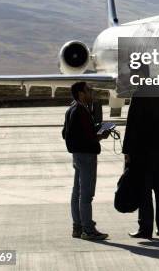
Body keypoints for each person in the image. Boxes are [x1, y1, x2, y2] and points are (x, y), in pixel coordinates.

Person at [122, 87, 159, 239]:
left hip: (144, 153)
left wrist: (127, 151)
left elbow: (132, 124)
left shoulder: (139, 94)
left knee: (144, 192)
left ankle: (145, 228)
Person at [62, 82, 110, 240]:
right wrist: (101, 135)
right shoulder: (81, 111)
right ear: (81, 93)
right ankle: (88, 230)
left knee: (77, 192)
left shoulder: (71, 109)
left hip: (77, 156)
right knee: (86, 195)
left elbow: (65, 133)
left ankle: (78, 227)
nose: (91, 93)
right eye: (88, 90)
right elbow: (87, 137)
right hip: (86, 156)